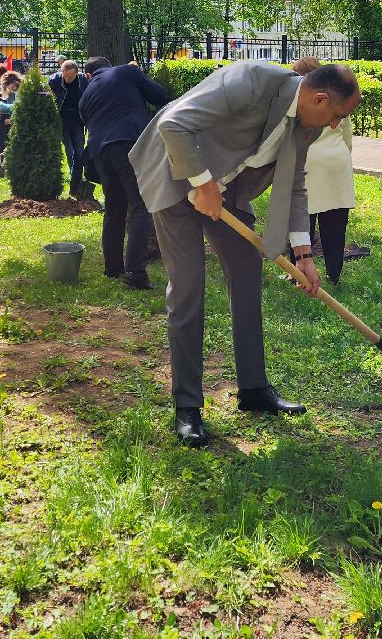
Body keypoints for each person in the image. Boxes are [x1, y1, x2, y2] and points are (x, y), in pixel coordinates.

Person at [129, 61, 360, 447]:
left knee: (247, 270)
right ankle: (187, 406)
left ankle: (253, 389)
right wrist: (203, 185)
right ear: (319, 98)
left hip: (227, 190)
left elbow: (296, 186)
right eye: (337, 115)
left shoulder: (306, 124)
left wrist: (303, 254)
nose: (336, 124)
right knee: (188, 287)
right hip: (176, 176)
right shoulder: (250, 81)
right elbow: (174, 124)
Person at [79, 56, 169, 291]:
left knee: (114, 208)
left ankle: (113, 268)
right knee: (141, 206)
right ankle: (135, 272)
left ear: (89, 75)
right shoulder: (126, 72)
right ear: (108, 65)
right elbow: (160, 96)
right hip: (128, 144)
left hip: (100, 153)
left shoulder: (86, 95)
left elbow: (88, 122)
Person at [292, 57, 361, 287]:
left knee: (303, 220)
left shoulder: (304, 104)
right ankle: (334, 273)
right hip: (337, 164)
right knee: (335, 225)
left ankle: (298, 274)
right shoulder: (339, 102)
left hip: (309, 165)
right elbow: (347, 140)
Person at [48, 59, 90, 198]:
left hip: (78, 120)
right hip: (62, 119)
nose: (67, 79)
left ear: (77, 73)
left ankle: (76, 184)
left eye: (70, 77)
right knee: (69, 151)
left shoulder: (84, 81)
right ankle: (74, 181)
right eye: (65, 76)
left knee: (79, 151)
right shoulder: (54, 80)